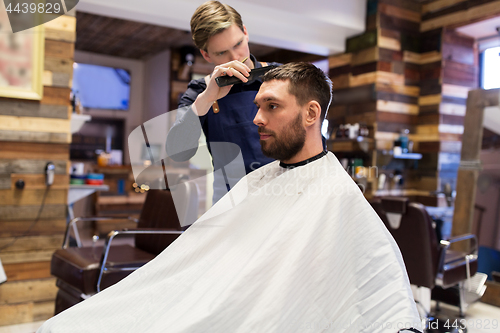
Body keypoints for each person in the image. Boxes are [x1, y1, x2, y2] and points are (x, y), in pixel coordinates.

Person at [38, 63, 422, 333]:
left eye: (270, 106)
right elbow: (172, 156)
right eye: (257, 106)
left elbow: (373, 291)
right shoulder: (260, 179)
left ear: (311, 113)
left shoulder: (336, 195)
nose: (256, 118)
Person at [166, 0, 280, 203]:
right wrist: (208, 98)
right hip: (230, 205)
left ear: (245, 32)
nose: (235, 57)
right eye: (221, 53)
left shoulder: (282, 76)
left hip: (283, 195)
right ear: (205, 55)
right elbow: (178, 152)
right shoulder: (199, 92)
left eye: (238, 44)